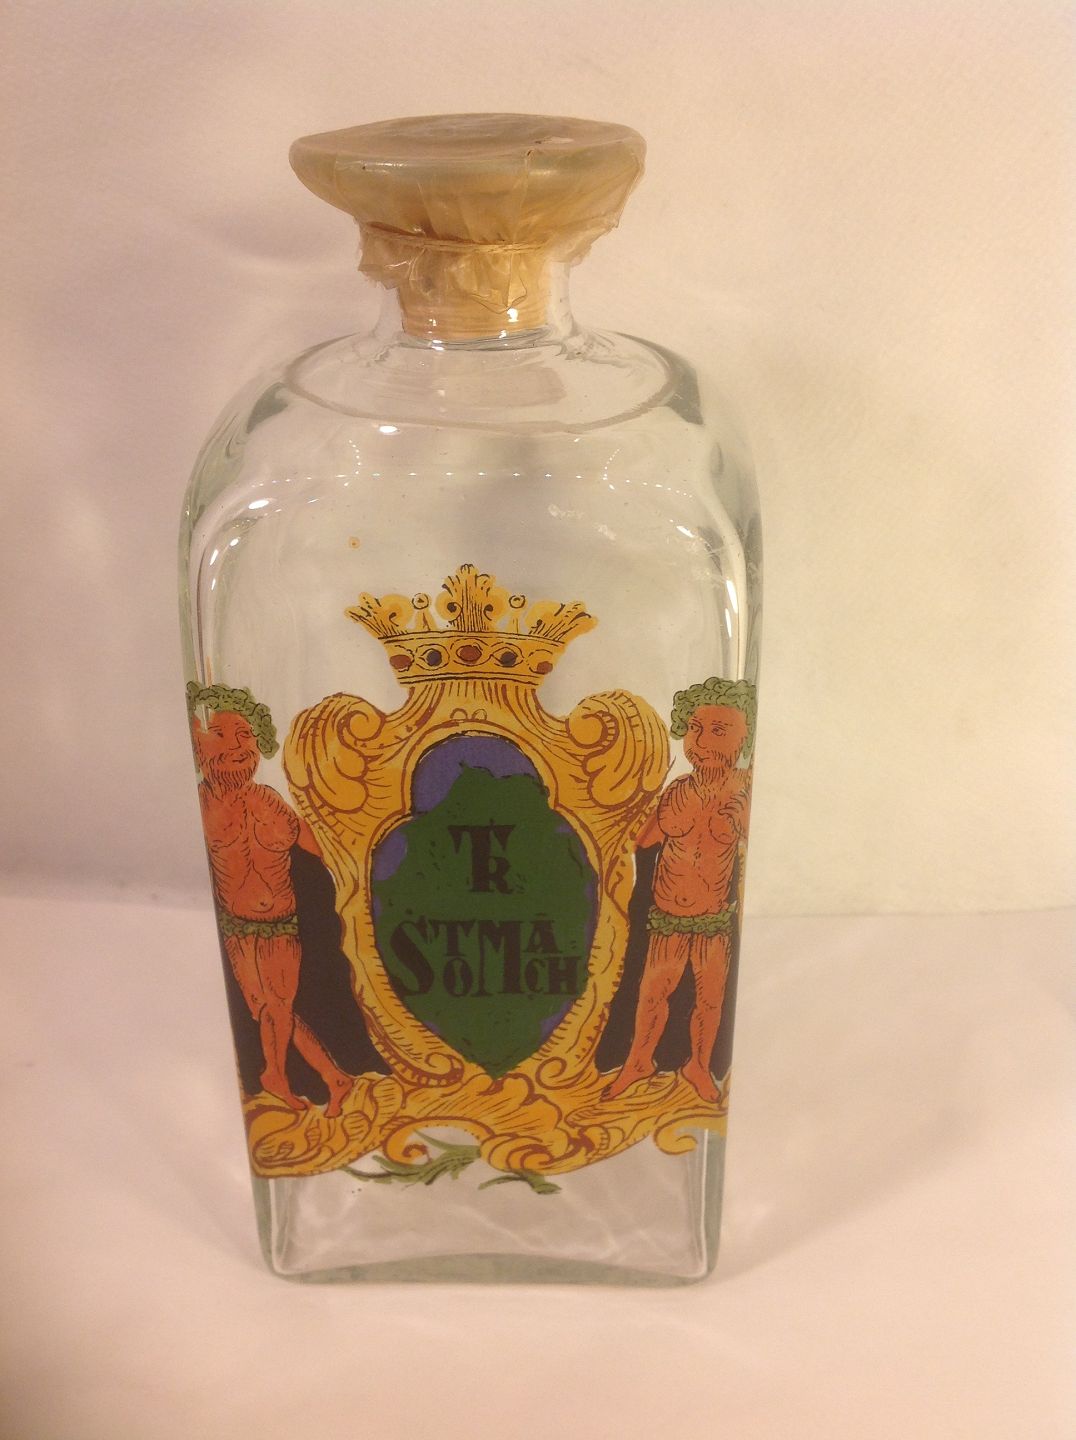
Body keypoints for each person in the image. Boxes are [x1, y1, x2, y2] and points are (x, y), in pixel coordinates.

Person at [188, 683, 354, 1117]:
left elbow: (315, 845)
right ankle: (334, 1077)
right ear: (200, 743)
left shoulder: (268, 801)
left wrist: (352, 874)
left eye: (245, 735)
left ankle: (276, 1076)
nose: (237, 746)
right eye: (221, 734)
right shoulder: (203, 802)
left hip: (278, 925)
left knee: (277, 1007)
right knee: (268, 1011)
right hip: (236, 927)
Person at [605, 677, 755, 1103]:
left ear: (744, 738)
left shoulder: (742, 790)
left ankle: (699, 1066)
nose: (702, 741)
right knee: (653, 993)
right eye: (695, 728)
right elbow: (643, 840)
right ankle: (638, 1061)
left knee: (710, 999)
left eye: (719, 730)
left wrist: (735, 818)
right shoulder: (678, 789)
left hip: (712, 919)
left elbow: (745, 842)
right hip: (668, 914)